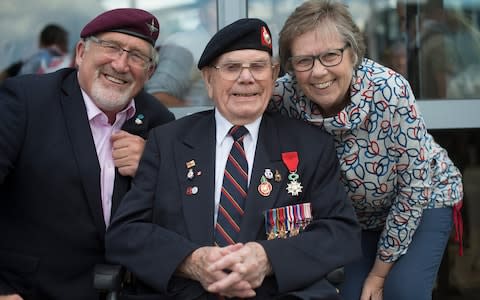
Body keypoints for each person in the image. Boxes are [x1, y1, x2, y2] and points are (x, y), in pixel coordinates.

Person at [105, 18, 361, 299]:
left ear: (274, 74)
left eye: (258, 66)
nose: (247, 77)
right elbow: (126, 233)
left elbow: (341, 232)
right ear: (208, 79)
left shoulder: (310, 146)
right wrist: (191, 261)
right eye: (232, 67)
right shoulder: (167, 142)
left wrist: (268, 258)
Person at [268, 1, 463, 299]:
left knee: (402, 291)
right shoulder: (284, 97)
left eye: (331, 55)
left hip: (422, 200)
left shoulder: (390, 91)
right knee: (346, 294)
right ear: (291, 67)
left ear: (353, 53)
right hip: (352, 219)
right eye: (304, 60)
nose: (318, 72)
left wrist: (378, 273)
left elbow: (414, 186)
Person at [0, 8, 174, 300]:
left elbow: (175, 215)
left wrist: (154, 165)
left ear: (150, 72)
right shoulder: (27, 101)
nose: (121, 64)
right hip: (31, 290)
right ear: (81, 52)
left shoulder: (158, 121)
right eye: (112, 48)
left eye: (137, 56)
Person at [145, 0, 217, 107]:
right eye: (214, 7)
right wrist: (199, 117)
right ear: (202, 13)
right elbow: (157, 96)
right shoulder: (185, 43)